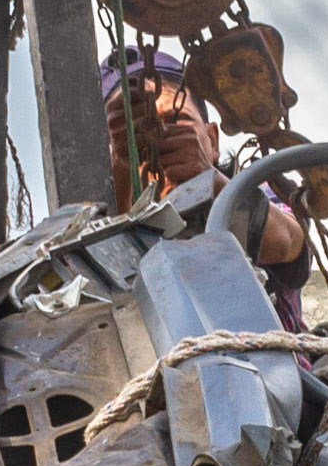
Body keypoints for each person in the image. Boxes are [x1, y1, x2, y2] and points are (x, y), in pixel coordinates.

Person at [106, 42, 308, 327]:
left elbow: (287, 243)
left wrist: (206, 178)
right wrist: (122, 174)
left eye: (177, 123)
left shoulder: (256, 190)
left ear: (212, 140)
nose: (157, 144)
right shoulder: (100, 229)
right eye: (133, 139)